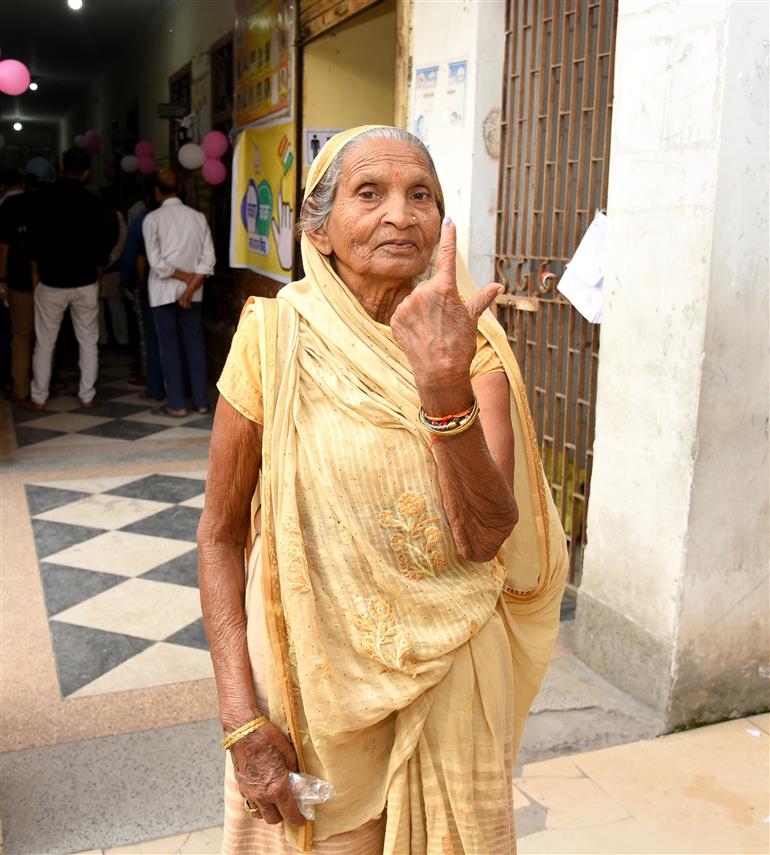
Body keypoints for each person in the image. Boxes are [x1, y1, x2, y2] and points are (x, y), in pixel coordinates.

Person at [198, 126, 568, 855]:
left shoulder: (472, 341)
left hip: (454, 677)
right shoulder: (273, 337)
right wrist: (241, 718)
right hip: (313, 676)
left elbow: (485, 533)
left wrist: (442, 386)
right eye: (369, 193)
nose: (400, 214)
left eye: (420, 195)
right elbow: (219, 533)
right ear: (321, 229)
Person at [26, 148, 114, 410]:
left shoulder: (43, 197)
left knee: (44, 341)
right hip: (85, 280)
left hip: (50, 280)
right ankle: (87, 395)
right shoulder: (93, 201)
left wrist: (35, 273)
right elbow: (104, 237)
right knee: (88, 340)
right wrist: (98, 268)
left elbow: (34, 238)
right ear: (86, 172)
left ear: (62, 166)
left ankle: (39, 397)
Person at [142, 169, 215, 416]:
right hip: (193, 293)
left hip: (162, 292)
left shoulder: (152, 219)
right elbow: (209, 260)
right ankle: (202, 402)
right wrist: (191, 285)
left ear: (157, 192)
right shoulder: (197, 217)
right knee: (195, 346)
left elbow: (156, 262)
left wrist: (185, 281)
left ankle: (176, 404)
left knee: (169, 348)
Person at [121, 200, 164, 401]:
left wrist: (128, 282)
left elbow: (134, 256)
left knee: (149, 337)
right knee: (176, 340)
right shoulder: (192, 216)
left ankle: (153, 383)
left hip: (150, 284)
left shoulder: (143, 220)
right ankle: (179, 390)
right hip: (186, 288)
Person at [0, 170, 36, 401]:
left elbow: (3, 247)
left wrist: (1, 279)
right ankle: (42, 386)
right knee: (44, 335)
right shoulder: (42, 203)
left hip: (17, 279)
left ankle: (20, 388)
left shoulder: (7, 207)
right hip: (43, 279)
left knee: (21, 335)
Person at [98, 193, 130, 347]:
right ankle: (122, 338)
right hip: (114, 267)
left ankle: (101, 339)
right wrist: (112, 258)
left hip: (96, 267)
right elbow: (123, 239)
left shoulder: (93, 214)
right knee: (116, 304)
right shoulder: (117, 215)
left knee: (97, 306)